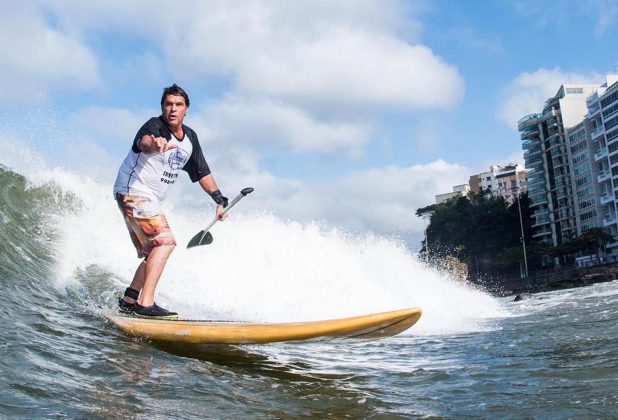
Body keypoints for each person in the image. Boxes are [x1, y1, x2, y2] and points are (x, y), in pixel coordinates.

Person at [113, 84, 227, 318]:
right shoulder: (155, 127)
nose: (172, 109)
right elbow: (143, 142)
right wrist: (154, 145)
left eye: (178, 105)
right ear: (162, 107)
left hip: (146, 197)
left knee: (153, 252)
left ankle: (129, 299)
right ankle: (145, 304)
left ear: (187, 109)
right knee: (165, 243)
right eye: (168, 104)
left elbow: (202, 172)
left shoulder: (190, 139)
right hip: (133, 191)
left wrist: (218, 198)